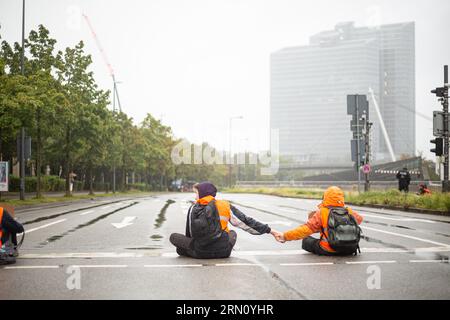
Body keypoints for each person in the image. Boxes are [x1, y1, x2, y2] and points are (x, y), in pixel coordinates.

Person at [170, 181, 280, 259]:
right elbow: (246, 222)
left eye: (196, 194)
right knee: (232, 233)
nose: (195, 197)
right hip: (223, 252)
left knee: (175, 240)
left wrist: (188, 249)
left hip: (200, 252)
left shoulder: (193, 208)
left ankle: (192, 252)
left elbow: (190, 235)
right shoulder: (225, 205)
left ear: (202, 194)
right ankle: (220, 249)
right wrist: (270, 231)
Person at [272, 186, 363, 256]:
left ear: (325, 197)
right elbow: (359, 219)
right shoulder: (349, 211)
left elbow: (305, 230)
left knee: (306, 240)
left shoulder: (322, 213)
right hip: (350, 249)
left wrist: (285, 236)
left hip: (329, 249)